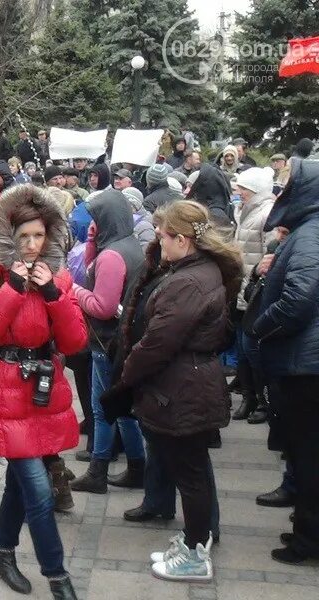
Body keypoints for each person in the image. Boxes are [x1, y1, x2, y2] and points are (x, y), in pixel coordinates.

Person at [0, 184, 86, 599]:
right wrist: (14, 289)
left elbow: (73, 343)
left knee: (20, 482)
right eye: (23, 237)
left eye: (38, 236)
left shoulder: (61, 277)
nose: (32, 245)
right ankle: (57, 576)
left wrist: (53, 295)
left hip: (43, 394)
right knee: (37, 488)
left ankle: (3, 551)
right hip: (3, 395)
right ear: (6, 238)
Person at [105, 200, 241, 581]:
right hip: (187, 382)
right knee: (190, 470)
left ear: (182, 239)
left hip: (183, 387)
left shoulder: (188, 281)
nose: (159, 244)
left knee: (191, 474)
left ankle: (197, 554)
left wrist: (126, 376)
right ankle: (194, 540)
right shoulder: (195, 270)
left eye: (163, 237)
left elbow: (157, 344)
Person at [252, 158, 319, 565]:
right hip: (305, 363)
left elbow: (298, 299)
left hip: (306, 367)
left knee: (308, 455)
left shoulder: (311, 235)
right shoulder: (308, 231)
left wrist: (260, 326)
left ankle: (308, 540)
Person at [70, 189, 145, 493]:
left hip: (106, 341)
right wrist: (91, 242)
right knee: (121, 408)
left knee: (103, 409)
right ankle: (138, 467)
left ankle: (98, 470)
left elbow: (101, 304)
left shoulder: (112, 256)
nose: (91, 224)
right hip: (120, 339)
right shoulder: (127, 245)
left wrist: (74, 292)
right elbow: (92, 267)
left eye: (95, 219)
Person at [230, 167, 275, 422]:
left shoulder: (265, 214)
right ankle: (248, 397)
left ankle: (263, 401)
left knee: (252, 349)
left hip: (256, 294)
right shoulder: (244, 212)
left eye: (242, 189)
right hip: (242, 291)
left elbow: (270, 256)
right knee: (242, 349)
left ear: (254, 190)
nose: (238, 193)